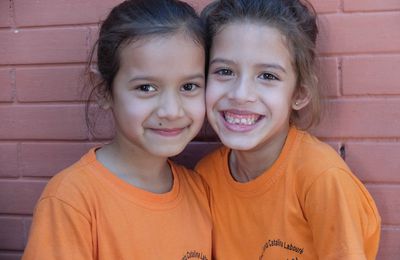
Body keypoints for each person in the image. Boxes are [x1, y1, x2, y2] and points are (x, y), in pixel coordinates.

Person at [23, 0, 212, 259]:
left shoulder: (200, 191)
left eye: (189, 87)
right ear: (104, 91)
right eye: (146, 88)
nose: (171, 110)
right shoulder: (73, 199)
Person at [195, 0, 381, 259]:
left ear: (300, 93)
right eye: (224, 71)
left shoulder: (322, 179)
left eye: (268, 76)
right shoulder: (204, 178)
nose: (241, 94)